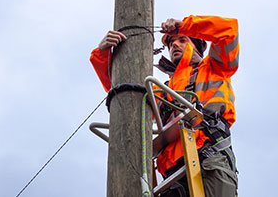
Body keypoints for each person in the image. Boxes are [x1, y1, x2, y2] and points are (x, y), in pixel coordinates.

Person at [89, 15, 239, 197]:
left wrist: (185, 26)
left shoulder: (215, 68)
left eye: (182, 40)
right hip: (172, 177)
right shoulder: (163, 91)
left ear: (198, 47)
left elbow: (229, 31)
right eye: (172, 43)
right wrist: (102, 54)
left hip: (209, 161)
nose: (175, 45)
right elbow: (125, 96)